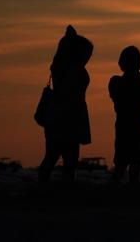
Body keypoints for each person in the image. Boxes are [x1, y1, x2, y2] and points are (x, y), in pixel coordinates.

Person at [39, 25, 93, 182]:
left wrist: (69, 38)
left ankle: (44, 187)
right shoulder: (74, 71)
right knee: (69, 159)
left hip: (57, 118)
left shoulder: (60, 68)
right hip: (68, 118)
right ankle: (65, 188)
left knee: (52, 156)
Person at [109, 46, 140, 184]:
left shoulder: (115, 82)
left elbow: (116, 97)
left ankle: (112, 190)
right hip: (137, 124)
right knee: (136, 163)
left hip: (122, 124)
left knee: (121, 163)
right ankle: (133, 190)